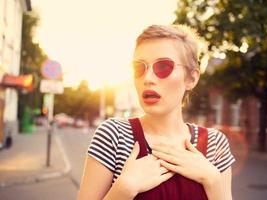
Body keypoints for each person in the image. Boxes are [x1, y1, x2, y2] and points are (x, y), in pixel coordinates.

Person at [77, 24, 235, 200]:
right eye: (139, 68)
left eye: (163, 67)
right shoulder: (114, 135)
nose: (148, 78)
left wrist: (212, 180)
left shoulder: (215, 143)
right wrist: (124, 189)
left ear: (191, 78)